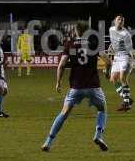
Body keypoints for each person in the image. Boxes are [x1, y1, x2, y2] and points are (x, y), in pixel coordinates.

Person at [41, 22, 111, 152]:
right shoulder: (93, 44)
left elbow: (61, 65)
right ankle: (98, 135)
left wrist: (58, 82)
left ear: (76, 31)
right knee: (102, 109)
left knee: (64, 113)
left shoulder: (71, 45)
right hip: (93, 86)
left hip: (76, 87)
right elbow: (108, 61)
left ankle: (48, 142)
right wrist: (107, 73)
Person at [108, 15, 135, 112]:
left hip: (125, 56)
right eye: (118, 19)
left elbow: (130, 49)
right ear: (114, 21)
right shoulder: (111, 30)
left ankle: (126, 104)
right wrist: (111, 46)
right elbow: (114, 40)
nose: (120, 21)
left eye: (122, 20)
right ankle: (127, 98)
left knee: (122, 77)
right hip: (117, 56)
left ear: (123, 23)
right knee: (113, 79)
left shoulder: (126, 34)